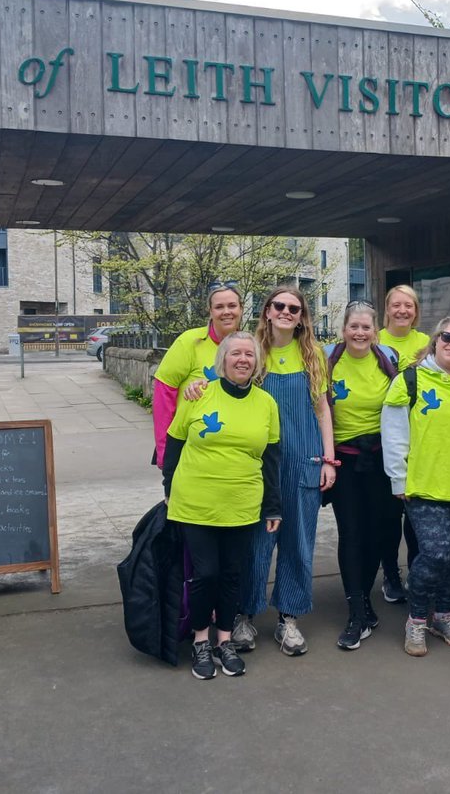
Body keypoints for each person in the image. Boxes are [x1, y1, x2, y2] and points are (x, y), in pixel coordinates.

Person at [160, 332, 282, 680]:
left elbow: (272, 459)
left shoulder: (266, 404)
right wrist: (169, 486)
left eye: (249, 354)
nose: (242, 359)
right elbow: (174, 443)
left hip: (243, 502)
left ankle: (224, 640)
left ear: (258, 363)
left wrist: (273, 507)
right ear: (222, 360)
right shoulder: (198, 394)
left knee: (232, 574)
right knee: (206, 573)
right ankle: (201, 640)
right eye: (235, 354)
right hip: (196, 499)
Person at [232, 286, 336, 657]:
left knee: (298, 543)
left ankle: (288, 618)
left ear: (302, 315)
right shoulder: (252, 352)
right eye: (280, 306)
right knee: (256, 542)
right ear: (267, 312)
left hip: (304, 461)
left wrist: (328, 458)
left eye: (294, 307)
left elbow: (323, 410)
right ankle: (243, 614)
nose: (286, 312)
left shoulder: (313, 356)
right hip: (259, 464)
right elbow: (226, 386)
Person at [382, 316, 450, 656]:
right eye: (447, 337)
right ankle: (416, 619)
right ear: (435, 340)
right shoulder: (409, 380)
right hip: (424, 485)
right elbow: (394, 435)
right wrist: (398, 477)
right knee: (436, 554)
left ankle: (443, 615)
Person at [325, 301, 398, 650]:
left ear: (375, 332)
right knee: (351, 533)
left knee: (379, 534)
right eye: (353, 326)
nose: (359, 333)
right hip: (345, 461)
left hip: (381, 461)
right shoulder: (328, 365)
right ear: (343, 330)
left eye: (366, 327)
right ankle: (356, 609)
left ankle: (366, 598)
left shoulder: (387, 365)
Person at [152, 283, 244, 469]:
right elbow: (164, 394)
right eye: (219, 307)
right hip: (190, 447)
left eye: (232, 306)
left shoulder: (247, 347)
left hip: (233, 449)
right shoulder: (189, 342)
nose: (226, 312)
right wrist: (165, 451)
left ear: (241, 309)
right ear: (210, 311)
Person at [376, 285, 427, 602]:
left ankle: (417, 574)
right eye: (396, 305)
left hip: (421, 438)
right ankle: (391, 575)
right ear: (387, 308)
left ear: (416, 310)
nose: (402, 311)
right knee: (389, 516)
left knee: (418, 517)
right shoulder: (375, 339)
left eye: (408, 305)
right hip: (385, 436)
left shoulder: (427, 342)